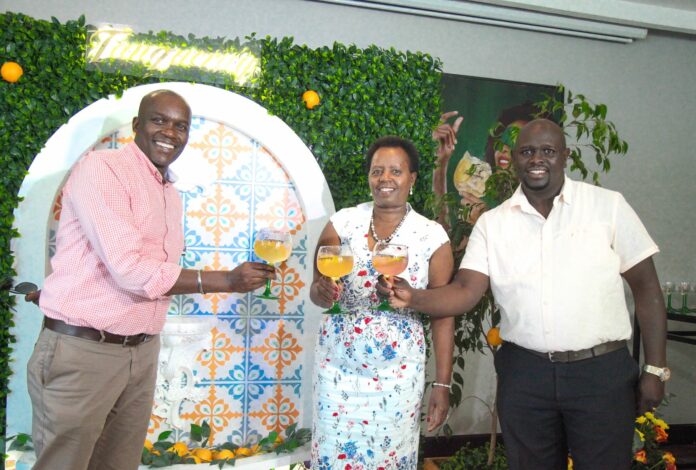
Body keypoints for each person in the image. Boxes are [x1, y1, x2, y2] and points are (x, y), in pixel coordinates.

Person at [381, 119, 668, 470]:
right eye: (528, 151)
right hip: (525, 377)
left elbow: (647, 289)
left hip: (601, 375)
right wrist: (414, 297)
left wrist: (655, 368)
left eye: (547, 151)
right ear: (515, 158)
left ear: (564, 156)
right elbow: (466, 291)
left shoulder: (607, 207)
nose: (537, 159)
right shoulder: (494, 223)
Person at [26, 89, 276, 470]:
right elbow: (130, 269)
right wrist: (225, 280)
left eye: (181, 126)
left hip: (141, 353)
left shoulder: (168, 192)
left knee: (118, 464)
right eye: (160, 120)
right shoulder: (102, 168)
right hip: (83, 350)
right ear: (137, 125)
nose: (170, 132)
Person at [309, 136, 454, 469]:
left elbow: (443, 313)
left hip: (397, 378)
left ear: (412, 178)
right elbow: (317, 290)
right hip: (337, 372)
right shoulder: (342, 223)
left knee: (390, 460)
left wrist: (442, 384)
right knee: (333, 457)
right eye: (377, 171)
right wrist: (323, 292)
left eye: (395, 171)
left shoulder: (432, 236)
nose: (385, 179)